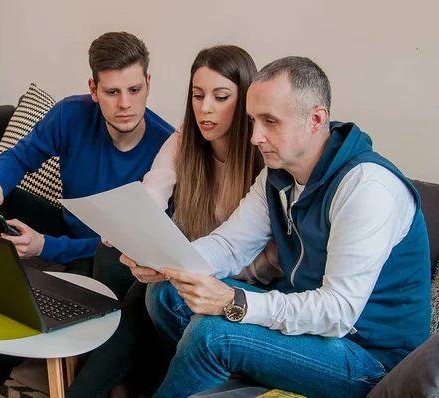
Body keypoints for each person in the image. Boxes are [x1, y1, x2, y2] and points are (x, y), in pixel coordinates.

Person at [123, 56, 431, 397]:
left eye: (270, 122)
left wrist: (234, 300)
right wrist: (166, 261)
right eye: (253, 120)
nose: (255, 136)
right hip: (308, 326)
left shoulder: (367, 188)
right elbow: (230, 245)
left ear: (315, 119)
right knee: (167, 292)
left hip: (367, 356)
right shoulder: (278, 174)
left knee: (213, 333)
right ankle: (209, 384)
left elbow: (338, 312)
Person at [0, 31, 174, 397]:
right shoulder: (72, 113)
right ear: (94, 89)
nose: (125, 104)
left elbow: (131, 244)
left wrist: (46, 246)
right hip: (68, 223)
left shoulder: (166, 148)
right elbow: (18, 156)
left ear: (148, 84)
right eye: (112, 92)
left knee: (107, 255)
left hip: (107, 251)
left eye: (134, 90)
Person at [66, 45, 267, 398]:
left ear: (246, 99)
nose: (205, 108)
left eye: (220, 97)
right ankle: (111, 382)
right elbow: (153, 192)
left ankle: (94, 387)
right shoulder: (182, 139)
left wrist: (178, 266)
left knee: (149, 293)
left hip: (240, 278)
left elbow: (250, 255)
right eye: (197, 95)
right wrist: (125, 226)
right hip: (186, 263)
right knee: (116, 262)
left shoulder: (261, 159)